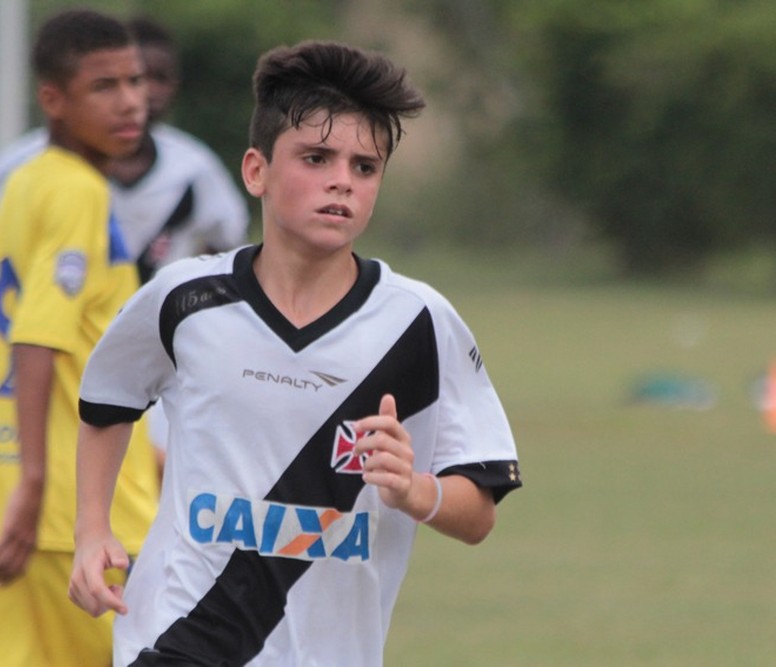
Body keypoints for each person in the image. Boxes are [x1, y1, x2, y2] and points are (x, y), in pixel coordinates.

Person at [69, 40, 523, 666]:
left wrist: (414, 491)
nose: (342, 180)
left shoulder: (418, 323)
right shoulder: (185, 299)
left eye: (365, 167)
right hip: (177, 640)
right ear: (256, 171)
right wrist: (92, 530)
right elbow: (107, 402)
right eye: (316, 158)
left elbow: (479, 516)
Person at [0, 10, 158, 666]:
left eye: (135, 81)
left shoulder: (25, 182)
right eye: (104, 86)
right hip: (77, 514)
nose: (130, 101)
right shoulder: (78, 192)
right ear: (53, 99)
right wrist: (35, 480)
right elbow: (37, 337)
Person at [0, 16, 249, 307]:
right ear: (55, 98)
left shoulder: (193, 166)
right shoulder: (38, 170)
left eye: (144, 80)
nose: (138, 97)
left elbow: (230, 244)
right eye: (107, 85)